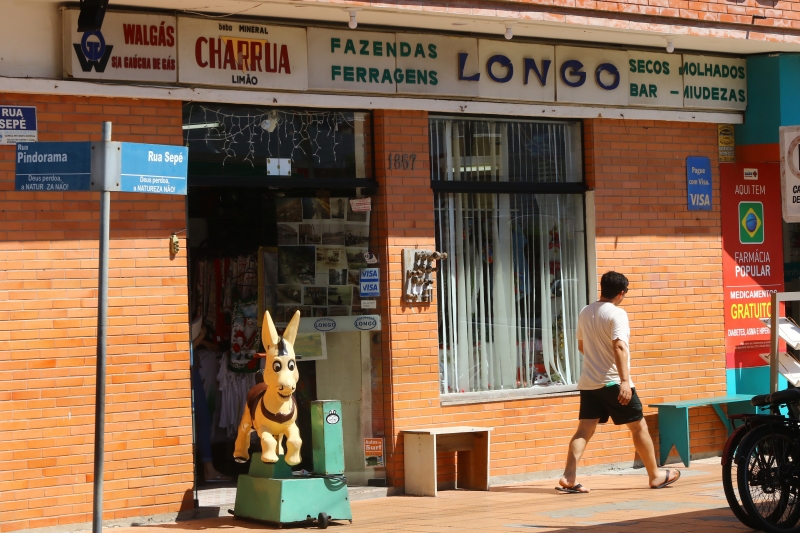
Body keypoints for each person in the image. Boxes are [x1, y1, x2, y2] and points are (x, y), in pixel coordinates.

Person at [557, 271, 680, 493]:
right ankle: (655, 476)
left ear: (603, 288)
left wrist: (597, 361)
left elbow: (581, 347)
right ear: (621, 293)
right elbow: (619, 346)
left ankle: (568, 476)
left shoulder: (585, 312)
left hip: (589, 382)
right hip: (613, 382)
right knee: (638, 426)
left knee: (584, 429)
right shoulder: (617, 314)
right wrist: (624, 381)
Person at [191, 319, 233, 483]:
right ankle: (208, 469)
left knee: (201, 420)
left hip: (191, 371)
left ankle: (205, 468)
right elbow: (183, 350)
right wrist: (201, 337)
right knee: (202, 419)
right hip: (189, 373)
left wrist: (203, 341)